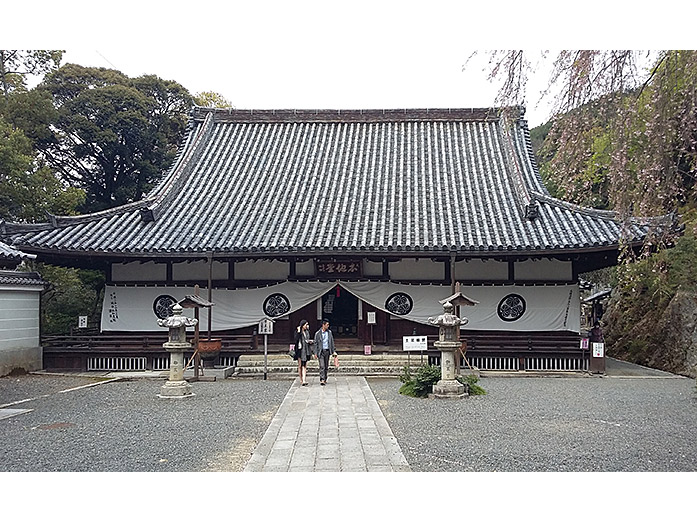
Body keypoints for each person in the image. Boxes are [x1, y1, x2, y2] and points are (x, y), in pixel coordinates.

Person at [313, 318, 337, 385]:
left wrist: (333, 351)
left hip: (327, 351)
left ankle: (325, 378)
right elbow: (315, 343)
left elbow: (331, 342)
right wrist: (315, 352)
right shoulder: (317, 333)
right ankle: (322, 379)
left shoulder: (329, 333)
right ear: (323, 325)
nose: (328, 326)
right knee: (322, 366)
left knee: (326, 366)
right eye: (327, 324)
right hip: (321, 351)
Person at [293, 319, 313, 386]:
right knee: (300, 365)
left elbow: (307, 339)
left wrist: (310, 342)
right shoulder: (297, 332)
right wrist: (298, 331)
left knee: (304, 365)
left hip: (306, 350)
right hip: (300, 350)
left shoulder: (307, 332)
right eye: (306, 324)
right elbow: (296, 339)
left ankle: (304, 380)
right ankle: (301, 379)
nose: (307, 326)